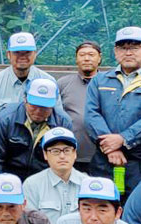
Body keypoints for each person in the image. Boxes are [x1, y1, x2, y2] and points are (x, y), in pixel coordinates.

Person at [84, 27, 141, 198]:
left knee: (139, 206)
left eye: (135, 47)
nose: (128, 52)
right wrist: (110, 148)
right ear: (115, 52)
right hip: (105, 160)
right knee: (102, 205)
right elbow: (91, 114)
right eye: (123, 47)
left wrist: (123, 139)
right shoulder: (100, 81)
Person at [0, 32, 64, 175]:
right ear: (8, 54)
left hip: (40, 156)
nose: (22, 56)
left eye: (27, 52)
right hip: (5, 153)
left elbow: (58, 121)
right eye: (17, 52)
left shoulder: (48, 82)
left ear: (35, 54)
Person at [0, 78, 73, 181]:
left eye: (44, 107)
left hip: (45, 180)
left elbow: (64, 162)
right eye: (34, 105)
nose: (38, 111)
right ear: (25, 99)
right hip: (11, 178)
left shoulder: (63, 123)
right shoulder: (4, 120)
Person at [23, 127, 88, 224]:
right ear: (45, 154)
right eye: (55, 151)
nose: (62, 156)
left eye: (67, 150)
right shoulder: (32, 184)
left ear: (75, 153)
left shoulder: (87, 183)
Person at [55, 41, 101, 172]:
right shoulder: (63, 84)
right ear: (76, 59)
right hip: (69, 155)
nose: (86, 58)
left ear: (99, 58)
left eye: (91, 55)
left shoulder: (108, 84)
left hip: (102, 155)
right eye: (82, 55)